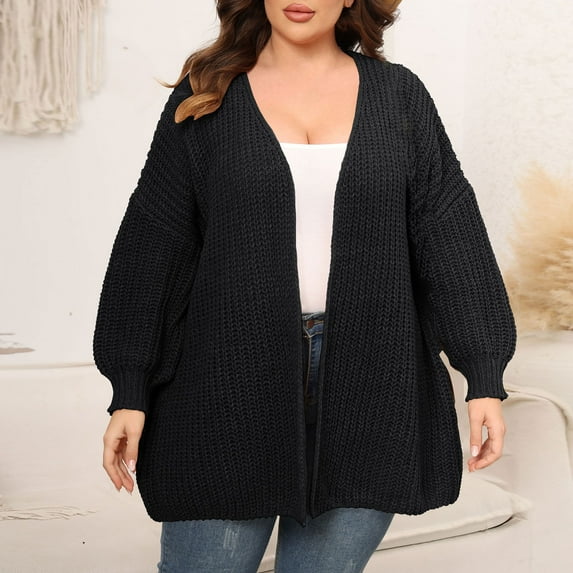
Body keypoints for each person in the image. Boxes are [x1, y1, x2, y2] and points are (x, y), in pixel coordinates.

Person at [92, 0, 517, 571]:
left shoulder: (399, 96)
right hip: (224, 383)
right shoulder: (208, 94)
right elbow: (154, 245)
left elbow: (450, 236)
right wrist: (130, 387)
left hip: (373, 384)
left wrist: (484, 376)